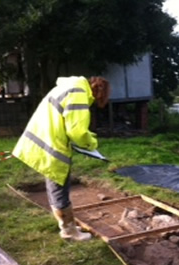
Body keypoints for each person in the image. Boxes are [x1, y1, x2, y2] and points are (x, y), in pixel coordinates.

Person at [13, 76, 110, 241]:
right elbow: (77, 131)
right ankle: (69, 231)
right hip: (52, 145)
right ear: (98, 92)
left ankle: (65, 224)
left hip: (42, 141)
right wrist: (91, 143)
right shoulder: (79, 93)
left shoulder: (70, 87)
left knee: (54, 186)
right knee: (59, 187)